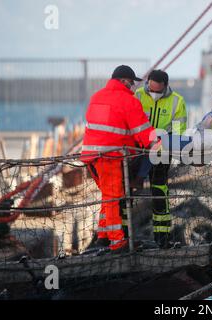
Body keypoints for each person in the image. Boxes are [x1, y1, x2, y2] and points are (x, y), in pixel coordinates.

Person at [80, 65, 159, 252]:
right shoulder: (127, 101)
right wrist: (159, 144)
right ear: (124, 81)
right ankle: (117, 242)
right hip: (111, 157)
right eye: (131, 83)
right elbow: (142, 130)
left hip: (92, 157)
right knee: (113, 199)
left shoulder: (96, 97)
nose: (132, 87)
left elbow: (108, 127)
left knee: (107, 196)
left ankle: (103, 236)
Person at [135, 70, 187, 248]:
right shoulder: (138, 95)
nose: (153, 94)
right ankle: (122, 239)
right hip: (138, 151)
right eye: (151, 90)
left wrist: (161, 143)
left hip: (161, 153)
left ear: (165, 86)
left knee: (160, 192)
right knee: (130, 190)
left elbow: (178, 131)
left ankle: (162, 236)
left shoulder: (177, 101)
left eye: (157, 91)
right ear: (147, 83)